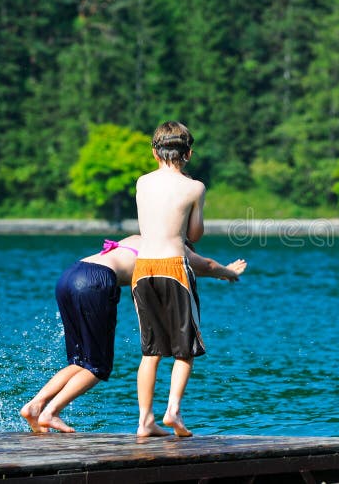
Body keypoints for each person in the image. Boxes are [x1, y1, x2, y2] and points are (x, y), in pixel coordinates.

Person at [20, 235, 246, 433]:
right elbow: (205, 265)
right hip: (95, 282)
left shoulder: (138, 238)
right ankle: (51, 411)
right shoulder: (173, 246)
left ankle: (34, 405)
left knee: (80, 361)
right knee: (97, 368)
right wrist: (229, 272)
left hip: (70, 275)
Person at [132, 120, 207, 438]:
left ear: (154, 152)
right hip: (174, 268)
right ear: (188, 153)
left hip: (142, 268)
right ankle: (173, 411)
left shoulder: (142, 182)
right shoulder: (194, 187)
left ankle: (144, 421)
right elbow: (195, 234)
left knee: (151, 352)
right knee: (185, 349)